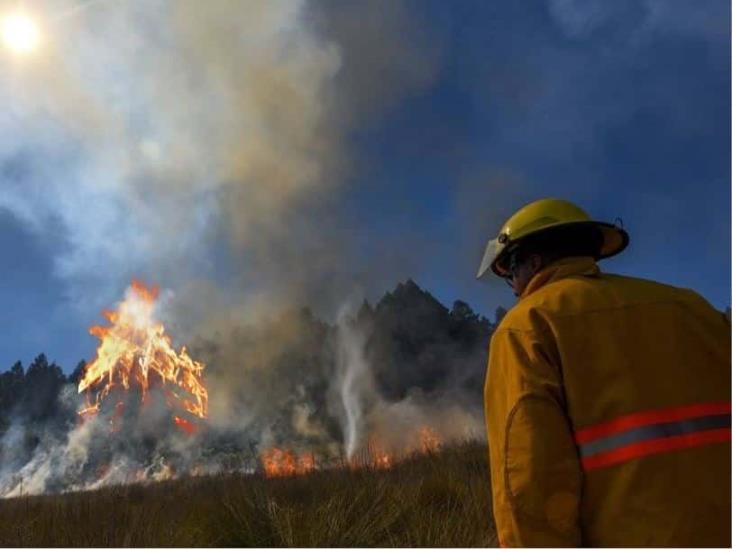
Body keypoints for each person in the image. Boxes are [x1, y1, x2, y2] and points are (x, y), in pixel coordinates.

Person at [476, 198, 731, 547]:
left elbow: (529, 483)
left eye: (513, 274)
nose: (516, 289)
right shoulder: (692, 308)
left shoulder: (527, 326)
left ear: (533, 261)